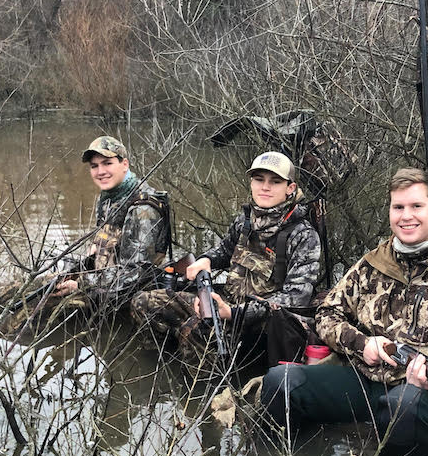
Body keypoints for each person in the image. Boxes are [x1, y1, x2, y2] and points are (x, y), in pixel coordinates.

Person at [260, 167, 428, 456]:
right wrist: (363, 344)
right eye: (398, 207)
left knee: (404, 407)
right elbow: (327, 314)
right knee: (280, 382)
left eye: (417, 206)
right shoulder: (374, 263)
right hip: (366, 379)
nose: (406, 216)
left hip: (422, 393)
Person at [132, 151, 321, 372]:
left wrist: (234, 312)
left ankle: (205, 393)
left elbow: (296, 297)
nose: (265, 187)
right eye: (259, 179)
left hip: (259, 322)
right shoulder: (245, 220)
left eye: (275, 181)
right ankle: (155, 376)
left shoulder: (303, 235)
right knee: (143, 303)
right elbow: (223, 251)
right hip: (227, 300)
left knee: (196, 330)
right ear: (251, 182)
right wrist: (206, 261)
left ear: (290, 188)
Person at [0, 135, 169, 331]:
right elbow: (105, 246)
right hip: (98, 281)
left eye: (107, 163)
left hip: (118, 296)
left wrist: (80, 284)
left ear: (125, 164)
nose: (100, 171)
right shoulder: (111, 196)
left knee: (21, 320)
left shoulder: (143, 209)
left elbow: (136, 275)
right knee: (22, 288)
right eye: (94, 166)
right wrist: (80, 268)